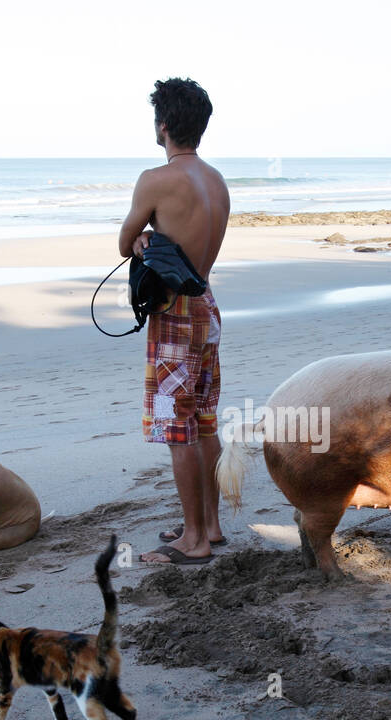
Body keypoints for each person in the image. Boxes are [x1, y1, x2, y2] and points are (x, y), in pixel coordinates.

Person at [118, 78, 230, 565]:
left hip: (174, 317)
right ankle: (210, 525)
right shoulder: (217, 180)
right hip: (206, 304)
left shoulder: (155, 179)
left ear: (163, 125)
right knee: (204, 421)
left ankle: (193, 541)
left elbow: (124, 241)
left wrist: (142, 238)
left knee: (175, 427)